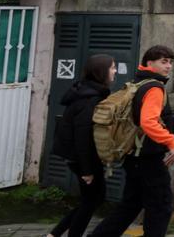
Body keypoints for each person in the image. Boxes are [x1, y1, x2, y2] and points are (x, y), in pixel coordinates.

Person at [89, 45, 174, 237]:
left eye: (170, 62)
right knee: (160, 208)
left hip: (134, 156)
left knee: (130, 206)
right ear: (149, 63)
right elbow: (148, 122)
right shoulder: (154, 87)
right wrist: (171, 143)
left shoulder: (138, 82)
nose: (168, 66)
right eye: (164, 62)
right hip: (149, 159)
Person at [47, 54, 117, 237]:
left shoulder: (88, 92)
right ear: (102, 72)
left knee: (91, 199)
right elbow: (83, 135)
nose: (115, 71)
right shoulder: (90, 99)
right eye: (112, 67)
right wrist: (87, 170)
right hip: (83, 158)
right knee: (92, 200)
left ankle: (54, 234)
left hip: (80, 157)